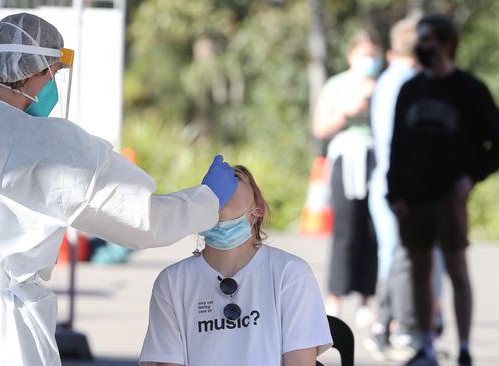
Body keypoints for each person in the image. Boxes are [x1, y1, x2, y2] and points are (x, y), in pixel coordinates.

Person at [0, 13, 237, 366]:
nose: (52, 84)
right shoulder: (47, 143)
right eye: (52, 73)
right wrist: (206, 199)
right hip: (2, 337)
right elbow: (141, 220)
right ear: (33, 72)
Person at [388, 14, 499, 366]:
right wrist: (395, 193)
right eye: (420, 41)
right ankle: (426, 346)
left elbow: (495, 143)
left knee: (457, 270)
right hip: (414, 198)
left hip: (449, 197)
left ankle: (464, 348)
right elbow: (397, 145)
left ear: (448, 44)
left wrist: (472, 176)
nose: (423, 48)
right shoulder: (411, 89)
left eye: (429, 41)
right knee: (420, 271)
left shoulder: (470, 89)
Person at [139, 166, 333, 366]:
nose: (223, 181)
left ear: (257, 210)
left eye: (237, 178)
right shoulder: (172, 282)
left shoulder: (291, 273)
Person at [312, 29, 381, 325]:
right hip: (345, 158)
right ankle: (335, 297)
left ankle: (367, 298)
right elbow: (320, 128)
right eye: (363, 54)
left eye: (372, 55)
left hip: (376, 158)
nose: (368, 60)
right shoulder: (336, 85)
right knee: (345, 229)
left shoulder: (383, 85)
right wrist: (346, 113)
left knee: (372, 229)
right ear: (351, 55)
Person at [366, 17, 420, 360]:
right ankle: (398, 327)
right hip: (398, 184)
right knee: (400, 256)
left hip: (389, 181)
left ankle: (383, 326)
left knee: (394, 256)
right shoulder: (403, 83)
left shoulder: (390, 80)